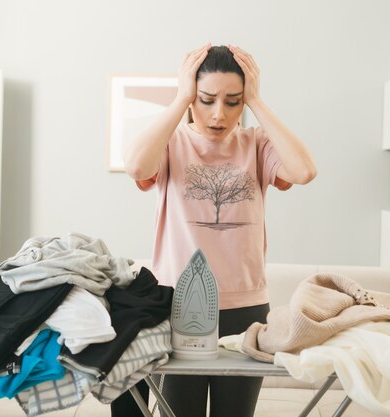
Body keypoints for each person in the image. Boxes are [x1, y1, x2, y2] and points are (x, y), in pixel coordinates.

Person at [123, 43, 316, 417]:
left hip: (246, 309)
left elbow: (304, 171)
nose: (218, 114)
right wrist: (180, 98)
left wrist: (257, 101)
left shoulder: (257, 144)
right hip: (180, 304)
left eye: (233, 101)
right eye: (206, 99)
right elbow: (134, 165)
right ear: (193, 96)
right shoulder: (171, 144)